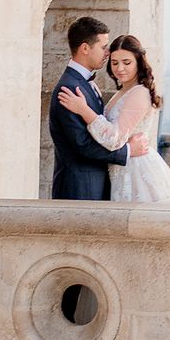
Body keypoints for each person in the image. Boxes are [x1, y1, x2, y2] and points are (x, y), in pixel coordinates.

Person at [57, 32, 170, 204]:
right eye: (115, 63)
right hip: (121, 169)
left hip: (137, 171)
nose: (120, 68)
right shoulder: (122, 92)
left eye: (127, 62)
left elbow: (114, 139)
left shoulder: (139, 92)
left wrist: (84, 110)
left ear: (139, 62)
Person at [48, 16, 149, 201]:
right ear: (85, 48)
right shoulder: (70, 88)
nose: (108, 53)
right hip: (80, 188)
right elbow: (83, 145)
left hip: (96, 185)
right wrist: (127, 151)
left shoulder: (87, 84)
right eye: (103, 47)